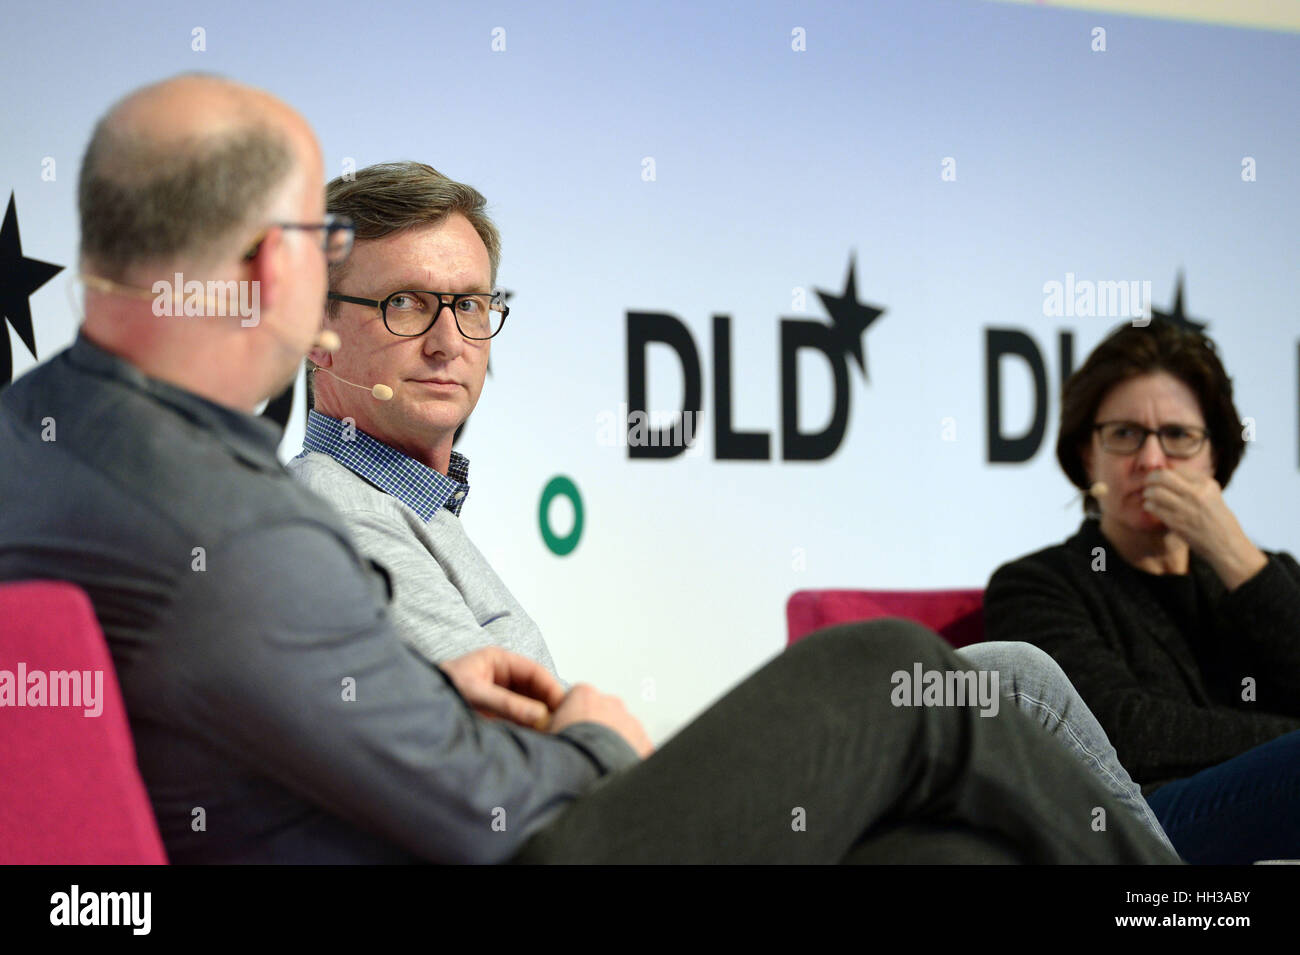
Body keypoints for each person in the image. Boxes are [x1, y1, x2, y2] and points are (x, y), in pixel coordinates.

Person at [0, 73, 1177, 865]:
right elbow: (495, 812)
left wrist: (423, 695)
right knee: (890, 670)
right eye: (364, 274)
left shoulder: (52, 437)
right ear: (276, 270)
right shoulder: (249, 524)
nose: (448, 336)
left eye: (470, 304)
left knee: (946, 855)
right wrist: (602, 734)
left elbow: (306, 710)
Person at [292, 160, 1174, 853]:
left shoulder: (414, 503)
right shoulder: (331, 508)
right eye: (406, 303)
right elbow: (500, 744)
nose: (449, 338)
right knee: (997, 678)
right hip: (599, 833)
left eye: (472, 304)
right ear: (319, 330)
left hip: (608, 809)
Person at [984, 318, 1300, 863]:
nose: (1152, 461)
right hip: (1139, 828)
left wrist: (1237, 559)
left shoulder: (1264, 577)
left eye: (1178, 437)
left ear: (1215, 458)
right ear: (1088, 455)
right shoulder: (1038, 584)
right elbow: (1124, 733)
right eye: (1125, 434)